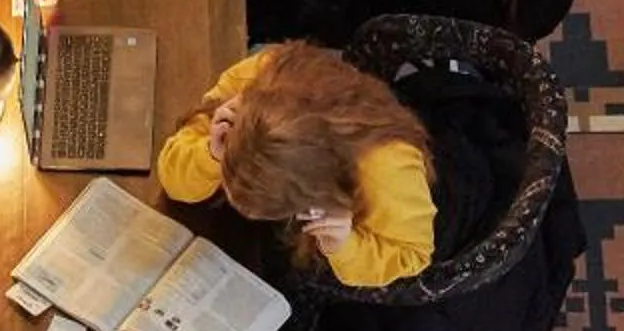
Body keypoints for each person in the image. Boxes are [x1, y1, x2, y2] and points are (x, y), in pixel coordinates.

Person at [158, 39, 436, 287]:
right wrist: (209, 154)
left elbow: (413, 253)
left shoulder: (388, 168)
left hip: (377, 224)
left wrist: (346, 244)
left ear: (313, 192)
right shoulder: (259, 75)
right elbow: (176, 183)